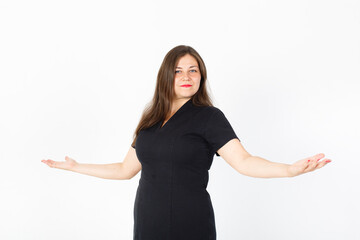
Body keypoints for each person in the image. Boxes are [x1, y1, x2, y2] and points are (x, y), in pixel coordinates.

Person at [41, 45, 332, 240]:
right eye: (179, 70)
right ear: (166, 76)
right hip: (147, 224)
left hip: (189, 225)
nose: (186, 76)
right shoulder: (150, 120)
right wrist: (76, 167)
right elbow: (124, 169)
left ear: (201, 76)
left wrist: (288, 170)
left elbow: (244, 161)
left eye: (193, 70)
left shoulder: (208, 117)